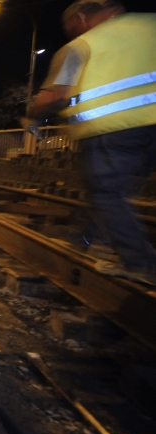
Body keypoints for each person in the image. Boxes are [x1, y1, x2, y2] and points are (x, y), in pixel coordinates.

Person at [26, 0, 156, 284]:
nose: (72, 32)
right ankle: (81, 240)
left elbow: (56, 95)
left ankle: (140, 263)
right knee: (116, 194)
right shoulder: (150, 25)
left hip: (111, 131)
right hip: (151, 131)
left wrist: (34, 118)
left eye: (72, 26)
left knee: (107, 195)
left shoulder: (82, 46)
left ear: (83, 16)